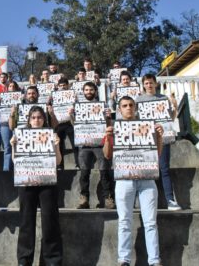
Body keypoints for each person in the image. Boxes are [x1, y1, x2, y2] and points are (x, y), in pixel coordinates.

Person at [103, 96, 164, 266]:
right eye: (124, 105)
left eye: (131, 105)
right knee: (124, 220)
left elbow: (156, 155)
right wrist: (108, 138)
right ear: (119, 109)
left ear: (135, 107)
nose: (128, 108)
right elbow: (107, 155)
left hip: (147, 179)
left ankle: (154, 260)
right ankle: (124, 260)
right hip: (124, 179)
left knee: (151, 222)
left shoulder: (147, 126)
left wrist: (159, 137)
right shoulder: (115, 128)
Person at [10, 106, 63, 266]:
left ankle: (52, 260)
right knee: (26, 222)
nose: (37, 120)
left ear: (44, 119)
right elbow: (15, 161)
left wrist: (57, 146)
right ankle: (24, 260)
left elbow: (58, 162)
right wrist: (13, 146)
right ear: (29, 120)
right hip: (26, 182)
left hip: (47, 182)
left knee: (50, 221)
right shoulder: (21, 135)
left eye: (39, 117)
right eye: (33, 117)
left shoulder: (51, 135)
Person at [137, 73, 181, 211]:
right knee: (148, 171)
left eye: (151, 83)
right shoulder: (138, 100)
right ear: (143, 85)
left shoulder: (163, 99)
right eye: (146, 83)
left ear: (156, 84)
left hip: (163, 139)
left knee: (164, 169)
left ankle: (170, 200)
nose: (149, 85)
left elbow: (170, 119)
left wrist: (175, 107)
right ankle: (146, 202)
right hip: (146, 141)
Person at [70, 82, 114, 209]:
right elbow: (75, 125)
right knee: (84, 172)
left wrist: (108, 117)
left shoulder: (103, 105)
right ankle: (84, 199)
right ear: (83, 92)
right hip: (84, 144)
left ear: (95, 91)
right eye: (86, 90)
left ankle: (108, 198)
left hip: (100, 143)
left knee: (104, 172)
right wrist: (71, 115)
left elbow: (107, 124)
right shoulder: (78, 107)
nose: (89, 92)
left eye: (91, 90)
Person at [0, 80, 22, 171]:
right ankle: (6, 169)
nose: (12, 87)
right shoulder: (2, 98)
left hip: (17, 124)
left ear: (16, 88)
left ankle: (17, 168)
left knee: (17, 146)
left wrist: (22, 101)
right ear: (7, 88)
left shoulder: (20, 97)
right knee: (7, 147)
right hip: (5, 124)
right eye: (10, 86)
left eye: (14, 86)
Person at [54, 78, 79, 169]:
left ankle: (78, 164)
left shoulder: (73, 95)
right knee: (59, 146)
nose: (62, 87)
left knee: (75, 144)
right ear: (58, 86)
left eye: (64, 85)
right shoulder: (54, 96)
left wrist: (75, 101)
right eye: (60, 86)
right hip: (58, 123)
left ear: (68, 85)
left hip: (69, 123)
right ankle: (60, 166)